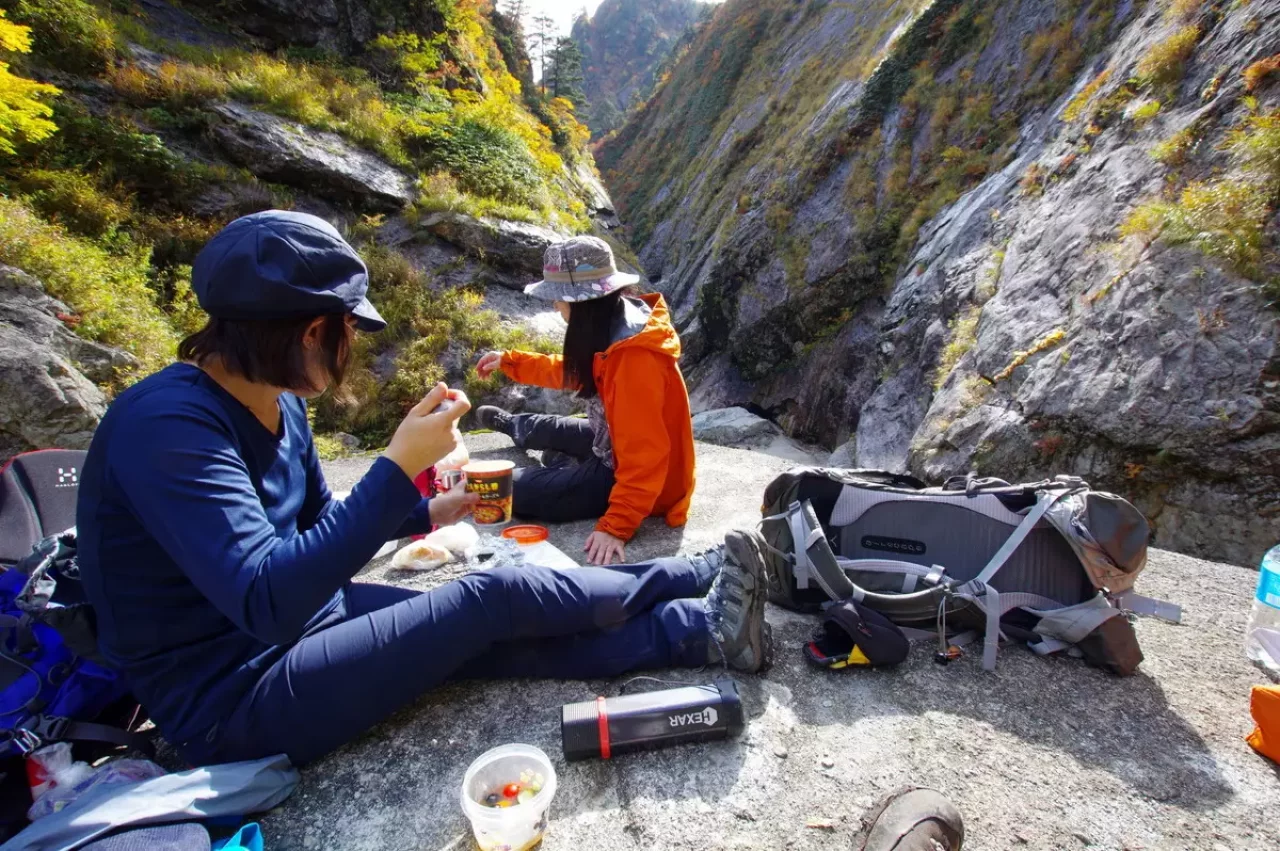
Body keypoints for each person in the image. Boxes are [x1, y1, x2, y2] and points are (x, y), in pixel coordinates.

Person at [74, 211, 771, 768]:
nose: (353, 343)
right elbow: (267, 602)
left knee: (485, 632)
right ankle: (693, 581)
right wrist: (395, 466)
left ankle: (697, 623)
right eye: (351, 326)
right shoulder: (166, 429)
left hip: (311, 623)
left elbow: (320, 519)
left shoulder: (277, 400)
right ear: (315, 329)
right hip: (233, 700)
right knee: (490, 597)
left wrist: (424, 509)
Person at [475, 236, 695, 567]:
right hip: (612, 443)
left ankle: (566, 468)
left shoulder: (634, 359)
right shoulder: (611, 326)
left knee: (511, 490)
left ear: (582, 303)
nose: (555, 307)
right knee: (550, 426)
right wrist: (510, 361)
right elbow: (571, 371)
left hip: (633, 474)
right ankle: (518, 428)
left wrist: (616, 526)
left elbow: (646, 456)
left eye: (558, 299)